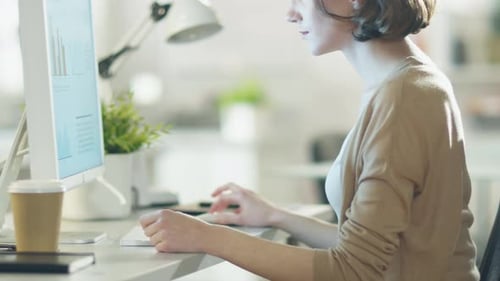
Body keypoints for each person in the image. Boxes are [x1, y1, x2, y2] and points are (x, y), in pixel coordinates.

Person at [140, 0, 480, 280]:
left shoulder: (402, 97)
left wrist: (207, 237)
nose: (291, 13)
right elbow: (380, 248)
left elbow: (354, 270)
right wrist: (276, 216)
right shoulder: (408, 80)